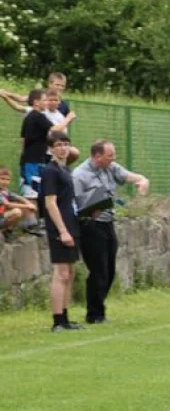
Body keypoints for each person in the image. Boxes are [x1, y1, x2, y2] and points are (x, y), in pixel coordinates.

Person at [72, 139, 150, 324]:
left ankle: (98, 308)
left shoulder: (111, 167)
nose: (113, 159)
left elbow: (130, 176)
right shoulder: (79, 175)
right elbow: (77, 206)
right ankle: (95, 314)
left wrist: (142, 180)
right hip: (89, 225)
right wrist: (96, 207)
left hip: (108, 223)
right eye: (109, 156)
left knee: (109, 270)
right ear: (97, 156)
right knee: (98, 270)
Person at [41, 131, 83, 332]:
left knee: (71, 271)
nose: (63, 148)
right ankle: (57, 320)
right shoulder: (50, 171)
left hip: (71, 222)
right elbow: (50, 203)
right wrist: (62, 230)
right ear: (51, 148)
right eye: (58, 144)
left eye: (66, 143)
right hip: (60, 225)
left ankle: (66, 317)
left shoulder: (65, 169)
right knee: (61, 272)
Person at [19, 89, 67, 199]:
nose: (47, 102)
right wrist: (67, 119)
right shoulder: (39, 116)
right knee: (32, 193)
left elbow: (23, 139)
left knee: (34, 189)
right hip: (34, 160)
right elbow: (54, 130)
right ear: (36, 102)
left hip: (29, 159)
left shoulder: (28, 117)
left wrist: (24, 156)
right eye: (44, 100)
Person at [0, 166, 39, 236]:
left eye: (7, 180)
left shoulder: (5, 191)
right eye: (2, 179)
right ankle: (4, 230)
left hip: (1, 215)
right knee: (17, 212)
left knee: (19, 204)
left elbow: (18, 197)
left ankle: (9, 230)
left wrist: (28, 203)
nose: (5, 182)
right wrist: (27, 206)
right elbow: (7, 204)